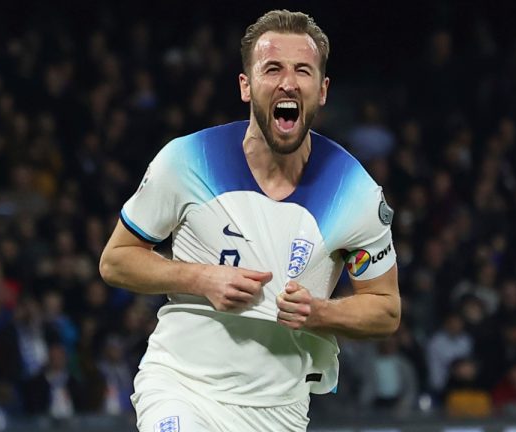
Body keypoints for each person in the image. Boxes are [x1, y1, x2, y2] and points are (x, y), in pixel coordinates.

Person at [99, 9, 400, 431]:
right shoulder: (185, 161)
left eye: (303, 70)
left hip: (279, 409)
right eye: (272, 68)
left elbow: (385, 311)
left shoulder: (356, 194)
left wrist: (319, 313)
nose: (288, 82)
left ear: (323, 89)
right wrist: (202, 279)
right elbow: (116, 260)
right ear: (246, 85)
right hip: (183, 386)